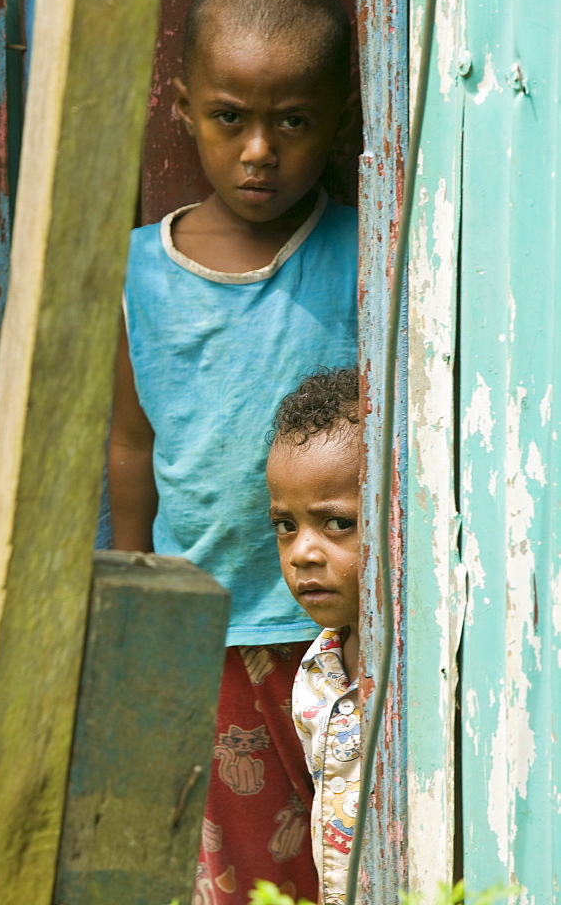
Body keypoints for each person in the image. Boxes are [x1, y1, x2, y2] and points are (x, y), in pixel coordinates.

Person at [108, 0, 358, 903]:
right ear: (182, 108)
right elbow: (132, 445)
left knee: (346, 858)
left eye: (292, 120)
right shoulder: (139, 271)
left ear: (338, 117)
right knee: (241, 875)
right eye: (229, 117)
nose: (260, 150)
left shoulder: (362, 250)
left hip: (336, 633)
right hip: (205, 634)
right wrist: (135, 595)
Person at [266, 368, 361, 905]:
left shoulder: (428, 669)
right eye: (286, 525)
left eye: (336, 523)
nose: (302, 551)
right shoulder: (316, 671)